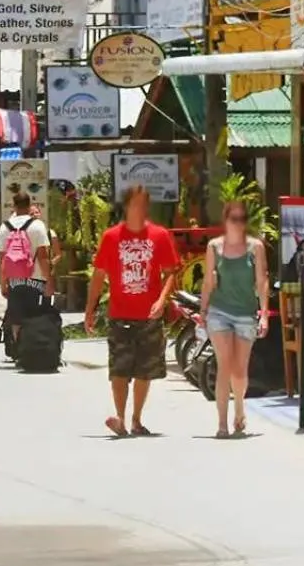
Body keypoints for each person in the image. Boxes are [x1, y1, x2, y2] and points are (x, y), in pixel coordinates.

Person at [86, 185, 179, 437]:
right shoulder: (111, 237)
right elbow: (98, 276)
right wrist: (90, 309)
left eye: (144, 203)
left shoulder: (159, 236)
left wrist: (162, 300)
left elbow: (171, 273)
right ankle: (120, 418)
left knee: (144, 371)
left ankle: (137, 419)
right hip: (119, 313)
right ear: (126, 206)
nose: (140, 208)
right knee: (119, 369)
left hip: (149, 315)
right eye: (135, 203)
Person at [197, 200, 270, 437]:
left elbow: (261, 281)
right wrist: (203, 310)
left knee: (239, 370)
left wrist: (264, 314)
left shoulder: (255, 247)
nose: (237, 224)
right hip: (220, 311)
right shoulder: (214, 247)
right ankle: (221, 424)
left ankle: (239, 408)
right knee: (224, 366)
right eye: (233, 219)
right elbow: (208, 281)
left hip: (246, 313)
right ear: (225, 220)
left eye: (241, 219)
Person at [0, 191, 53, 345]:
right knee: (35, 316)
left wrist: (3, 284)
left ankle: (18, 347)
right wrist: (49, 281)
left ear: (14, 206)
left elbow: (2, 259)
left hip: (14, 280)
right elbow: (43, 257)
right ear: (29, 206)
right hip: (37, 280)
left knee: (16, 317)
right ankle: (32, 347)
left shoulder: (5, 227)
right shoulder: (38, 226)